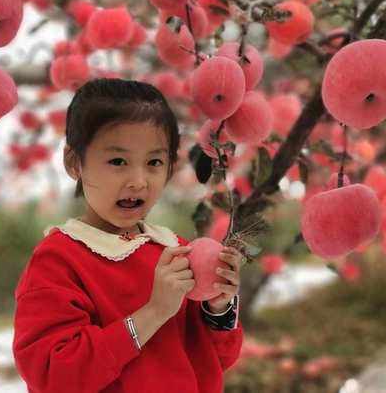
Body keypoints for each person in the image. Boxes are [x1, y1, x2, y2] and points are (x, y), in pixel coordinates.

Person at [13, 78, 244, 392]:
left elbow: (214, 360)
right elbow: (54, 376)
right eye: (118, 161)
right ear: (74, 163)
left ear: (170, 167)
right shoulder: (59, 260)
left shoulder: (175, 251)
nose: (138, 181)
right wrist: (153, 313)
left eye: (153, 162)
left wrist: (217, 307)